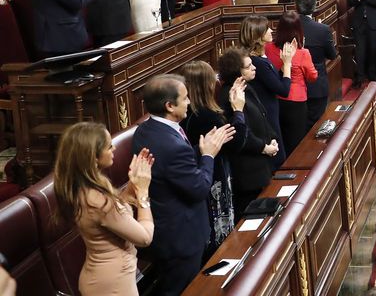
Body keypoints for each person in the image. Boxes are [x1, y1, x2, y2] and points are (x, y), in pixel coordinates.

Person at [131, 74, 234, 296]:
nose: (189, 102)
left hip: (165, 232)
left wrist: (199, 150)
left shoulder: (146, 130)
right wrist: (208, 155)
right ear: (169, 105)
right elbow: (198, 188)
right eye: (185, 98)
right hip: (181, 239)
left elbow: (172, 168)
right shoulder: (171, 144)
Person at [54, 122, 153, 296]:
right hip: (113, 286)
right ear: (93, 156)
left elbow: (115, 214)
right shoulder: (98, 201)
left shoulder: (82, 188)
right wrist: (143, 193)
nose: (114, 148)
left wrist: (133, 185)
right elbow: (144, 238)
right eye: (108, 146)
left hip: (103, 279)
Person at [180, 60, 247, 248]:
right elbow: (237, 142)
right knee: (220, 236)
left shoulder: (190, 113)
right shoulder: (207, 116)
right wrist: (239, 110)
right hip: (213, 176)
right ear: (207, 83)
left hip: (205, 174)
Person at [216, 48, 278, 218]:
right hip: (248, 172)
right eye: (248, 66)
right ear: (237, 72)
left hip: (262, 164)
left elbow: (263, 116)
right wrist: (264, 148)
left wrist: (272, 138)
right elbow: (240, 133)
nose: (254, 68)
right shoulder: (227, 98)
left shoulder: (247, 88)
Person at [239, 15, 294, 162]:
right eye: (266, 29)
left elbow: (274, 80)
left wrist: (283, 67)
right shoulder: (258, 63)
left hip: (270, 108)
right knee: (277, 157)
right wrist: (287, 64)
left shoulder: (260, 58)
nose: (271, 30)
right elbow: (283, 90)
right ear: (257, 36)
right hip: (267, 113)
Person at [264, 10, 317, 160]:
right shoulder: (302, 53)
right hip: (296, 102)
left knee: (281, 138)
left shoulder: (269, 48)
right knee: (296, 142)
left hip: (276, 99)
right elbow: (313, 76)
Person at [296, 0, 337, 128]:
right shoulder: (323, 29)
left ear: (296, 7)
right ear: (314, 7)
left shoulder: (288, 27)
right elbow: (332, 55)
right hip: (316, 85)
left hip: (294, 85)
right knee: (316, 125)